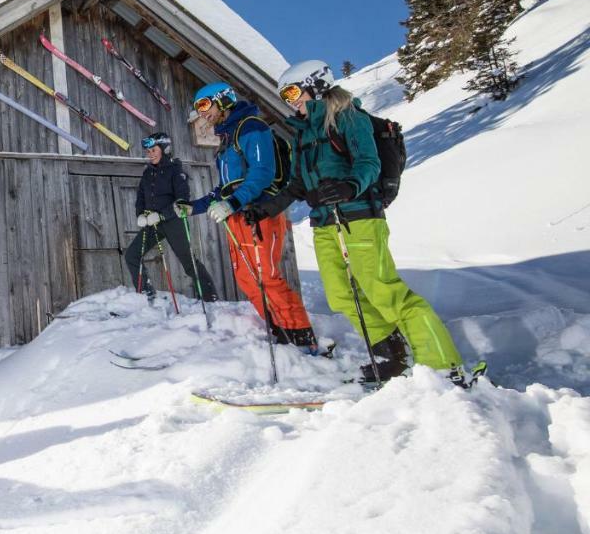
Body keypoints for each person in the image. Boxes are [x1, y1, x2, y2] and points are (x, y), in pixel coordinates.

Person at [245, 60, 465, 384]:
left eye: (292, 91)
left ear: (315, 84)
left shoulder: (349, 117)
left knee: (383, 291)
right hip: (324, 222)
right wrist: (265, 209)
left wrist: (349, 186)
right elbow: (296, 184)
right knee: (339, 295)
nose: (289, 100)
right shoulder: (302, 135)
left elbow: (368, 162)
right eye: (284, 95)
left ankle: (444, 365)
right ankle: (392, 357)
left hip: (358, 217)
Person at [174, 82, 325, 352]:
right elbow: (224, 188)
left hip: (259, 212)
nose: (202, 113)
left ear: (223, 100)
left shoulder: (252, 127)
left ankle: (301, 336)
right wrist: (193, 207)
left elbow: (262, 173)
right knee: (245, 277)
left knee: (266, 275)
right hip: (237, 216)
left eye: (205, 105)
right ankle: (279, 330)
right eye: (198, 108)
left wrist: (232, 202)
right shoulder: (227, 139)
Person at [124, 131, 218, 303]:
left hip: (173, 221)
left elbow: (182, 200)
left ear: (164, 149)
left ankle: (210, 297)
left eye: (154, 150)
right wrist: (140, 215)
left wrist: (161, 215)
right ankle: (146, 293)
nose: (150, 154)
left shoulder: (175, 171)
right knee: (131, 255)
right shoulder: (147, 173)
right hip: (152, 223)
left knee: (189, 262)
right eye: (148, 151)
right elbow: (141, 197)